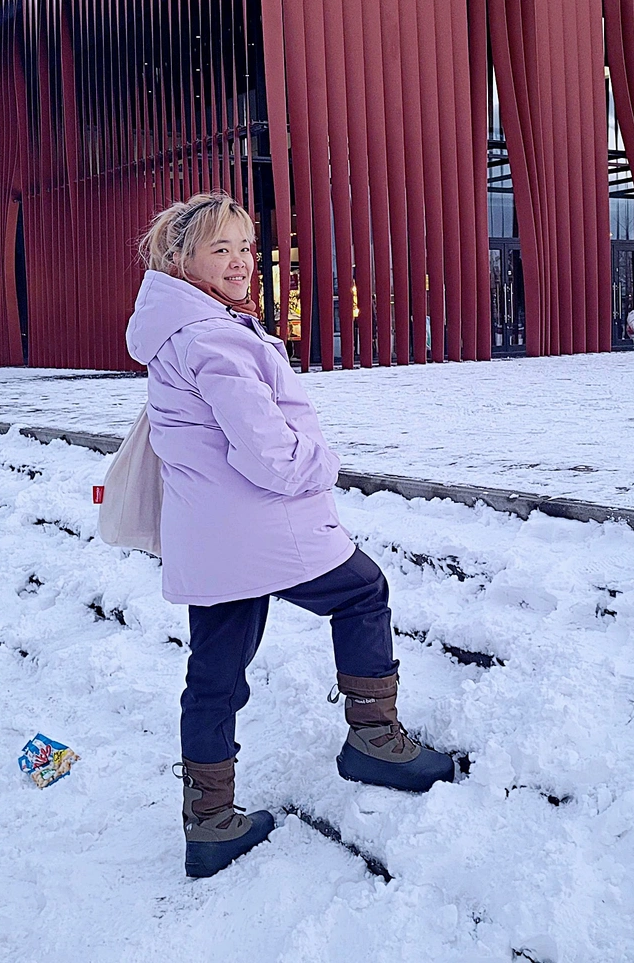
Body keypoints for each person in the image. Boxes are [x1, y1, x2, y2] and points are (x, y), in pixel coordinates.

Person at [124, 192, 454, 880]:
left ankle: (209, 823)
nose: (243, 262)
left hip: (215, 535)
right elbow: (267, 452)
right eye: (223, 250)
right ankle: (374, 740)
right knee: (363, 592)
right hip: (262, 526)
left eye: (247, 247)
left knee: (214, 672)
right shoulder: (211, 336)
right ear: (184, 260)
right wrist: (323, 463)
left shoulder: (175, 329)